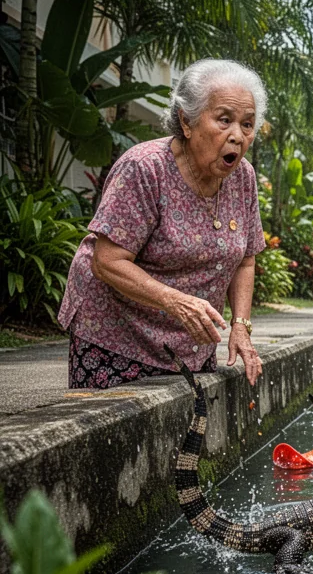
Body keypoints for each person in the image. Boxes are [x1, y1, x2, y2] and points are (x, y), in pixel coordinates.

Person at [58, 58, 267, 389]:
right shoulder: (143, 169)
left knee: (195, 434)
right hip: (116, 332)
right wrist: (177, 302)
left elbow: (246, 259)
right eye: (224, 120)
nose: (237, 136)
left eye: (247, 124)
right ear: (187, 122)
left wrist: (240, 324)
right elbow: (107, 261)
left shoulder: (243, 178)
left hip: (189, 339)